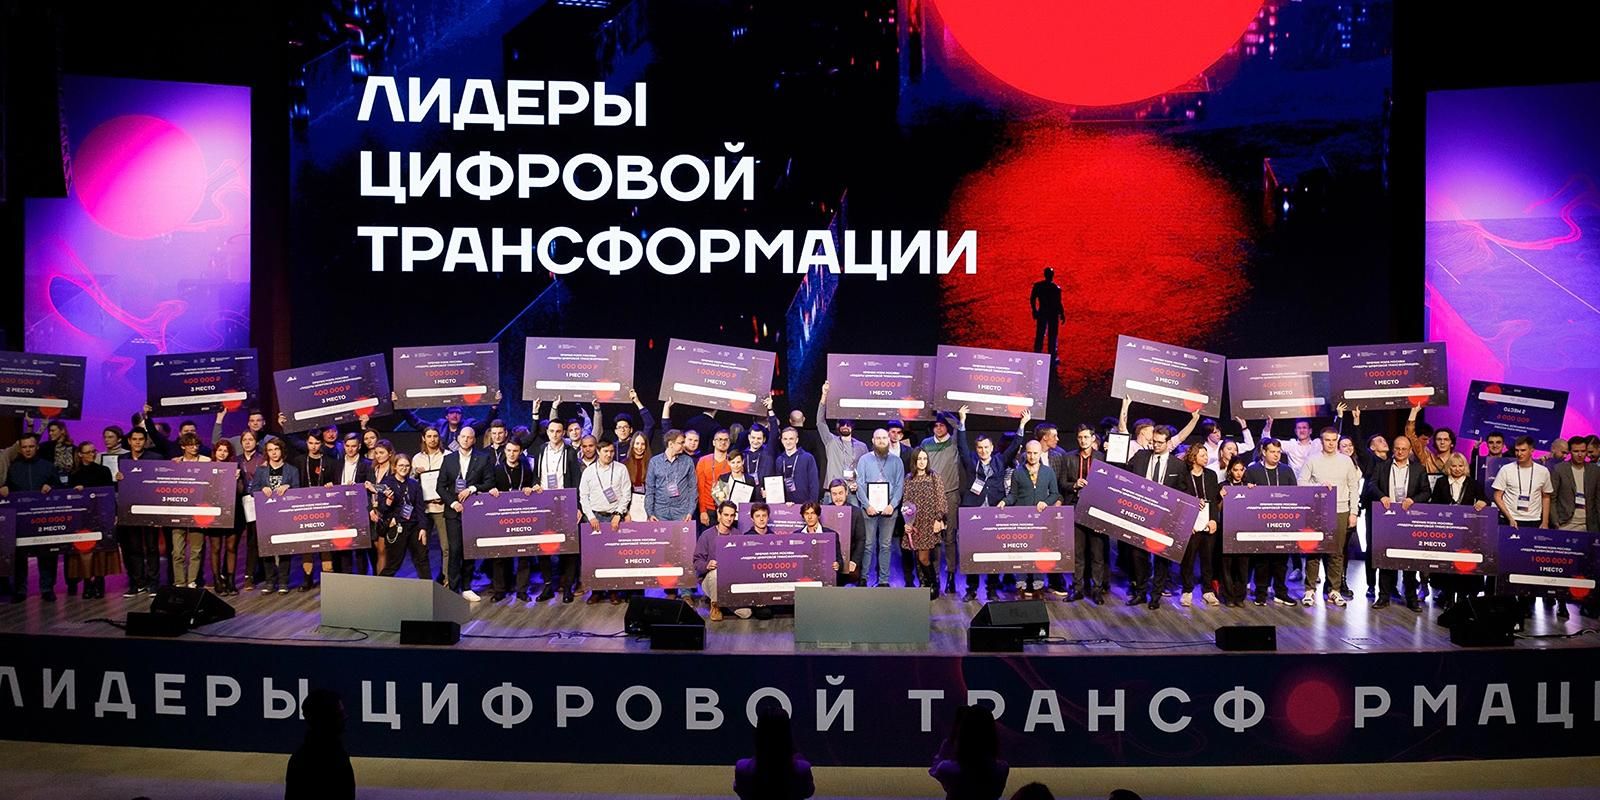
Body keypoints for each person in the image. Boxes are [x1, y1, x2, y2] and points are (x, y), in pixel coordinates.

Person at [956, 407, 1020, 601]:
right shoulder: (971, 461)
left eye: (986, 447)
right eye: (980, 448)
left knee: (994, 553)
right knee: (972, 552)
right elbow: (961, 446)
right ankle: (971, 589)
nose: (983, 451)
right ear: (976, 449)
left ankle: (992, 589)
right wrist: (962, 421)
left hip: (994, 512)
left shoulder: (1000, 460)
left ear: (992, 448)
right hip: (973, 512)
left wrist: (1022, 425)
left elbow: (1014, 446)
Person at [1365, 434, 1434, 611]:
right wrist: (1382, 496)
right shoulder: (1382, 466)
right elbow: (1371, 485)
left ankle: (1411, 598)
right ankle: (1383, 597)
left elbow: (1426, 492)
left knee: (1409, 560)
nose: (1401, 452)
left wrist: (1413, 499)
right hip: (1387, 518)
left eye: (1404, 449)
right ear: (1393, 449)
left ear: (1410, 450)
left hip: (1409, 519)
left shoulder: (1419, 469)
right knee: (1385, 558)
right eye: (1397, 448)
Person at [1492, 435, 1556, 617]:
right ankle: (1506, 603)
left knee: (1529, 564)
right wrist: (1509, 517)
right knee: (1507, 563)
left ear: (1532, 451)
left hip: (1533, 521)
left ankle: (1526, 604)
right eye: (1517, 450)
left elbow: (1546, 496)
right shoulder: (1506, 469)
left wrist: (1545, 522)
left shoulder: (1543, 471)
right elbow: (1497, 495)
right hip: (1510, 521)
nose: (1519, 454)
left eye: (1523, 450)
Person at [1125, 427, 1184, 606]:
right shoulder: (1141, 456)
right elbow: (1126, 475)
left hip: (1165, 517)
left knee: (1161, 557)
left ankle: (1156, 595)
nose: (1155, 445)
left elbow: (1182, 490)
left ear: (1168, 442)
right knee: (1138, 554)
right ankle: (1141, 592)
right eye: (1154, 442)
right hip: (1141, 512)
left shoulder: (1178, 465)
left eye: (1160, 442)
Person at [1304, 426, 1362, 608]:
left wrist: (1353, 512)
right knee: (1314, 550)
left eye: (1334, 440)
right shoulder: (1312, 459)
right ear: (1321, 441)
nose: (1331, 443)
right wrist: (1318, 487)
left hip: (1341, 510)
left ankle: (1334, 590)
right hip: (1317, 510)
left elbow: (1354, 487)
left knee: (1337, 552)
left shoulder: (1346, 461)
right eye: (1327, 440)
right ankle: (1310, 589)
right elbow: (1301, 483)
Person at [530, 418, 584, 603]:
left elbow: (576, 480)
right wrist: (535, 484)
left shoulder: (570, 452)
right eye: (551, 431)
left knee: (568, 548)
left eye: (558, 431)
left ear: (564, 433)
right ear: (547, 432)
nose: (554, 434)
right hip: (544, 505)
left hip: (565, 504)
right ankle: (548, 586)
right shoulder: (541, 450)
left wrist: (577, 506)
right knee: (544, 547)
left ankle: (568, 587)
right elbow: (535, 476)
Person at [1000, 439, 1061, 600]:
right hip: (1022, 518)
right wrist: (1005, 501)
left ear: (1040, 453)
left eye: (1035, 453)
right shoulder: (1018, 472)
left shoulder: (1048, 472)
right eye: (1029, 453)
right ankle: (1020, 585)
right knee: (1021, 552)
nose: (1032, 456)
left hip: (1041, 519)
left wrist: (1045, 502)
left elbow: (1055, 493)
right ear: (1025, 453)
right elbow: (1013, 495)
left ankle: (1038, 586)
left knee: (1040, 552)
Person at [438, 427, 493, 601]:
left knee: (470, 550)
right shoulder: (448, 459)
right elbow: (440, 486)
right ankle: (454, 589)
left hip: (473, 512)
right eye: (463, 436)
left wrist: (472, 488)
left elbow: (489, 482)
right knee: (455, 550)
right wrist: (453, 503)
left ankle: (467, 587)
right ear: (458, 438)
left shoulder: (483, 458)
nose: (466, 440)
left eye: (469, 437)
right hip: (453, 512)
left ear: (474, 440)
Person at [1430, 451, 1491, 610]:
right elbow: (1434, 504)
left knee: (1464, 565)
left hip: (1467, 532)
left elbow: (1486, 499)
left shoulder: (1473, 483)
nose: (1457, 469)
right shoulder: (1441, 482)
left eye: (1460, 466)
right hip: (1446, 530)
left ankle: (1463, 599)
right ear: (1449, 467)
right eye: (1454, 466)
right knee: (1448, 565)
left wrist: (1483, 503)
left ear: (1465, 467)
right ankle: (1448, 596)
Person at [579, 439, 633, 604]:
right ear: (598, 451)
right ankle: (597, 591)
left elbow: (626, 493)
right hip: (595, 517)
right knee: (595, 557)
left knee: (615, 556)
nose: (609, 455)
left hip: (614, 517)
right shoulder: (589, 471)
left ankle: (614, 591)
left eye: (611, 451)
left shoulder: (621, 468)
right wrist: (591, 516)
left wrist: (618, 514)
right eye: (605, 451)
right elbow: (583, 496)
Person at [486, 439, 539, 602]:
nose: (511, 454)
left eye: (515, 451)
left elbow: (533, 484)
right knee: (499, 555)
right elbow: (489, 486)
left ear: (520, 452)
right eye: (509, 450)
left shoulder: (526, 469)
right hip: (502, 518)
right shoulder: (496, 469)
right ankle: (500, 590)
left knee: (524, 555)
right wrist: (491, 489)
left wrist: (531, 488)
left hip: (522, 518)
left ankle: (522, 590)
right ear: (505, 451)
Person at [1245, 440, 1298, 606]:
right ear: (1264, 452)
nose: (1276, 455)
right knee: (1262, 560)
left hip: (1283, 521)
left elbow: (1295, 494)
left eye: (1278, 452)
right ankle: (1260, 593)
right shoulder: (1253, 470)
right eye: (1273, 452)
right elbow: (1246, 496)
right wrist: (1249, 489)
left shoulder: (1286, 470)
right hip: (1260, 522)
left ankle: (1280, 592)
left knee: (1281, 561)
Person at [1060, 424, 1107, 604]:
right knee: (1077, 553)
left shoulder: (1102, 458)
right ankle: (1077, 589)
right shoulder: (1068, 457)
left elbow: (1108, 486)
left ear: (1093, 438)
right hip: (1075, 507)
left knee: (1097, 554)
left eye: (1086, 437)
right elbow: (1062, 483)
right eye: (1080, 437)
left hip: (1096, 510)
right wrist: (1074, 484)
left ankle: (1097, 590)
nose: (1083, 440)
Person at [1172, 443, 1222, 608]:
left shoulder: (1211, 475)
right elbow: (1179, 500)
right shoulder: (1183, 476)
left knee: (1208, 558)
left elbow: (1213, 500)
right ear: (1193, 458)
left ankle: (1208, 590)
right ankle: (1187, 590)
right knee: (1189, 558)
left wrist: (1214, 519)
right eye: (1202, 455)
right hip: (1191, 523)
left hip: (1208, 522)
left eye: (1206, 455)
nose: (1206, 458)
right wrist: (1187, 522)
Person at [919, 412, 965, 595]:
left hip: (950, 494)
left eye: (942, 425)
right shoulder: (926, 443)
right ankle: (935, 577)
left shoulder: (954, 442)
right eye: (936, 425)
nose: (938, 428)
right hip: (931, 496)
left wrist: (942, 409)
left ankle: (951, 575)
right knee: (934, 539)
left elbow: (958, 425)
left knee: (950, 537)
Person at [66, 441, 118, 600]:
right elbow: (69, 497)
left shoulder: (104, 470)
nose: (92, 454)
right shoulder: (74, 474)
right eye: (88, 452)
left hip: (101, 515)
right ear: (80, 454)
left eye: (93, 451)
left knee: (101, 550)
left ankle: (100, 582)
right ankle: (87, 583)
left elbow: (109, 494)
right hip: (82, 517)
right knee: (84, 550)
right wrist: (76, 491)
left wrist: (114, 513)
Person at [115, 428, 163, 597]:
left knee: (152, 547)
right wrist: (118, 478)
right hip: (131, 508)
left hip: (150, 508)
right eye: (134, 439)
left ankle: (153, 583)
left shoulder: (155, 458)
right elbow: (121, 485)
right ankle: (138, 583)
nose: (137, 442)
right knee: (134, 547)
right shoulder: (123, 459)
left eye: (141, 439)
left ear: (145, 441)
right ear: (129, 441)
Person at [856, 428, 906, 588]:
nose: (881, 441)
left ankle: (884, 580)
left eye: (884, 438)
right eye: (878, 438)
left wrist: (892, 505)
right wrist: (866, 505)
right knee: (868, 545)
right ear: (873, 440)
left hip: (889, 510)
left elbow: (900, 485)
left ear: (889, 440)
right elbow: (859, 484)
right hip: (868, 509)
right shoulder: (864, 460)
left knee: (885, 545)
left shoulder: (897, 461)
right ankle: (863, 578)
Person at [284, 688, 355, 800]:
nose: (345, 717)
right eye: (340, 714)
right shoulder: (334, 760)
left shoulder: (299, 758)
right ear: (327, 720)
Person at [250, 438, 301, 594]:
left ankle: (284, 581)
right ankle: (270, 581)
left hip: (285, 515)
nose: (274, 453)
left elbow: (299, 491)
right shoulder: (261, 471)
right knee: (268, 549)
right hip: (266, 515)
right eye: (270, 450)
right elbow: (252, 490)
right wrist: (262, 489)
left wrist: (288, 486)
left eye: (276, 449)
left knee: (285, 548)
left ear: (282, 451)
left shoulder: (292, 470)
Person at [734, 703, 814, 800]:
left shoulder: (742, 768)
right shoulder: (802, 769)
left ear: (758, 733)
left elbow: (740, 790)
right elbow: (808, 792)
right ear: (787, 735)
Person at [930, 704, 1009, 800]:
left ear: (963, 734)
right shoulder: (1002, 769)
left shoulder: (947, 769)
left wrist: (948, 744)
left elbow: (935, 771)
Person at [168, 431, 212, 589]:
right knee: (177, 551)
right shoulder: (176, 463)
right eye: (191, 445)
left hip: (198, 511)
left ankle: (192, 581)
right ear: (183, 447)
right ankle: (179, 582)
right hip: (179, 511)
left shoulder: (206, 461)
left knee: (196, 550)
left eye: (196, 444)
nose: (195, 447)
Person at [903, 449, 949, 599]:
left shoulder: (934, 476)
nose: (922, 462)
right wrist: (907, 522)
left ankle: (933, 584)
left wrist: (938, 519)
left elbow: (941, 499)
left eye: (924, 458)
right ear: (914, 461)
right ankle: (924, 584)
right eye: (919, 459)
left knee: (924, 557)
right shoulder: (909, 478)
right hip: (915, 523)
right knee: (918, 557)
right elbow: (906, 502)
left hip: (929, 523)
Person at [695, 501, 750, 621]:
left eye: (732, 515)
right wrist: (707, 565)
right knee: (715, 573)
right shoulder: (707, 535)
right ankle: (715, 607)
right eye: (726, 515)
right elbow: (697, 562)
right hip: (710, 580)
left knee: (746, 613)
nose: (729, 519)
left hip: (731, 581)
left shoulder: (738, 535)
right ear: (719, 515)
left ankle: (724, 603)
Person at [206, 439, 244, 596]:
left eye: (225, 451)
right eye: (220, 450)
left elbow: (241, 491)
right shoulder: (207, 468)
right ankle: (217, 581)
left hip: (233, 512)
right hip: (214, 512)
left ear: (230, 454)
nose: (222, 453)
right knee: (215, 548)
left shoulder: (235, 468)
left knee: (231, 547)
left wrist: (236, 479)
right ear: (215, 452)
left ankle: (230, 581)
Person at [1217, 455, 1252, 607]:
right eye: (1235, 470)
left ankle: (1240, 596)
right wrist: (1221, 497)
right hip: (1226, 530)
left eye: (1241, 470)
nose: (1238, 473)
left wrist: (1253, 492)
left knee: (1242, 565)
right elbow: (1217, 509)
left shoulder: (1249, 486)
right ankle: (1228, 596)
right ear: (1230, 470)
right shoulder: (1222, 486)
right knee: (1226, 565)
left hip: (1244, 531)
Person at [825, 480, 864, 585]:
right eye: (834, 494)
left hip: (850, 559)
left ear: (846, 492)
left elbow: (861, 540)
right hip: (831, 561)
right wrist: (790, 506)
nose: (838, 497)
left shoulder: (856, 512)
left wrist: (855, 561)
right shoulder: (824, 511)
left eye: (840, 493)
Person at [696, 429, 734, 526]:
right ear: (714, 442)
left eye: (726, 440)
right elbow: (700, 488)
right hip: (709, 510)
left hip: (728, 510)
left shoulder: (734, 462)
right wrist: (702, 511)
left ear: (729, 442)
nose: (723, 442)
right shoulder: (703, 461)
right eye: (719, 439)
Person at [774, 426, 821, 504]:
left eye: (791, 439)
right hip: (787, 505)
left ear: (797, 440)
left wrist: (812, 504)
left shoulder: (807, 457)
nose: (788, 442)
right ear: (781, 440)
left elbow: (814, 483)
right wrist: (783, 502)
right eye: (785, 439)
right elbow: (778, 484)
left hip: (805, 505)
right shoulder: (779, 460)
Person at [1264, 416, 1318, 483]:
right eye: (1299, 428)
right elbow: (1267, 442)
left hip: (1313, 484)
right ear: (1295, 431)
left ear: (1310, 431)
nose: (1301, 430)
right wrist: (1268, 426)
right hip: (1295, 483)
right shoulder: (1291, 445)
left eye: (1304, 427)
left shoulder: (1317, 444)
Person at [1029, 266, 1065, 356]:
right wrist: (1062, 313)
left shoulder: (1038, 286)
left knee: (1040, 333)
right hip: (1053, 314)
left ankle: (1038, 352)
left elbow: (1032, 298)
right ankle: (1051, 354)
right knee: (1052, 335)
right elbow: (1058, 302)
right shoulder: (1056, 288)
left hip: (1043, 312)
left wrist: (1034, 310)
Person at [624, 432, 653, 520]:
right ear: (632, 444)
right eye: (637, 443)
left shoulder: (652, 463)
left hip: (647, 503)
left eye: (642, 444)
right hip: (630, 504)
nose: (639, 447)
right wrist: (625, 512)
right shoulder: (624, 464)